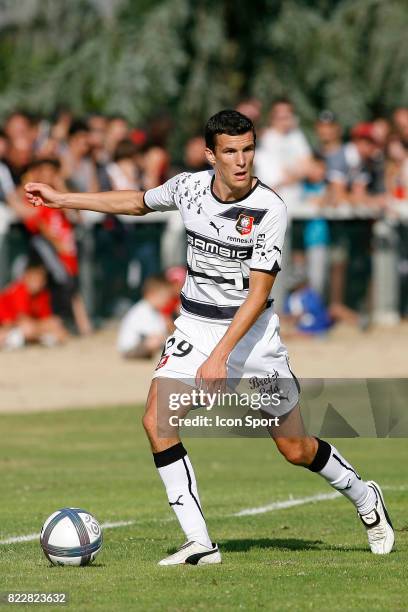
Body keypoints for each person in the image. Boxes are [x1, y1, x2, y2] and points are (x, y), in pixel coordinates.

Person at [25, 110, 394, 566]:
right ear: (210, 155)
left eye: (248, 149)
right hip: (195, 326)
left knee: (294, 447)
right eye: (231, 151)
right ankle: (200, 543)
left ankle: (364, 496)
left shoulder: (270, 209)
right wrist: (63, 198)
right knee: (156, 419)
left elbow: (259, 294)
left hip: (253, 340)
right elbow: (137, 201)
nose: (242, 161)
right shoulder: (189, 187)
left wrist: (221, 356)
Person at [0, 260, 68, 349]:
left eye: (40, 279)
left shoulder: (42, 295)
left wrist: (47, 326)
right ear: (26, 276)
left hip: (20, 328)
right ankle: (44, 339)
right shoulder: (19, 290)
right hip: (8, 327)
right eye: (34, 278)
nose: (37, 282)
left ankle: (41, 339)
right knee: (27, 329)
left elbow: (48, 320)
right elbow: (21, 322)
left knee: (55, 324)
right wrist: (45, 327)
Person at [117, 276, 174, 359]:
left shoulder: (155, 311)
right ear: (151, 295)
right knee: (155, 341)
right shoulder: (142, 310)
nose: (166, 301)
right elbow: (154, 334)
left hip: (142, 345)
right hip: (130, 349)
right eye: (164, 297)